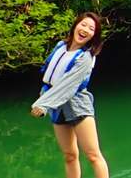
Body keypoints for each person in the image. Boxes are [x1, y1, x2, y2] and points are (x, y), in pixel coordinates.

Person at [32, 12, 110, 178]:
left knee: (93, 155)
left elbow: (68, 85)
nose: (85, 30)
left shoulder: (86, 57)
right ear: (75, 26)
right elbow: (49, 75)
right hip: (56, 102)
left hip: (77, 102)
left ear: (94, 35)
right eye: (83, 24)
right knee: (69, 155)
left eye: (91, 29)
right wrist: (44, 96)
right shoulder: (60, 45)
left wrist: (44, 103)